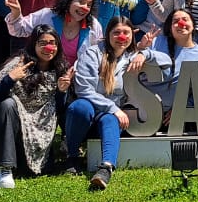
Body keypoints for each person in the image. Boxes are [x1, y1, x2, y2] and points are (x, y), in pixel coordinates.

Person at [66, 16, 166, 188]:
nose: (122, 37)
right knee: (79, 107)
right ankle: (72, 157)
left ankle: (106, 168)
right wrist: (113, 108)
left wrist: (144, 53)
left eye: (126, 32)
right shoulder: (92, 53)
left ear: (132, 36)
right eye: (116, 32)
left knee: (110, 119)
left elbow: (166, 60)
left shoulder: (131, 56)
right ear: (108, 34)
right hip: (89, 112)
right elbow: (84, 90)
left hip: (110, 117)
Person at [0, 25, 73, 189]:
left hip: (38, 132)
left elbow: (58, 113)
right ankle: (3, 168)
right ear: (33, 45)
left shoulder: (60, 71)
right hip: (7, 125)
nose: (49, 47)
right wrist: (10, 79)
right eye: (42, 43)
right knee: (8, 103)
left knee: (32, 170)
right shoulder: (18, 64)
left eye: (53, 43)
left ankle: (18, 162)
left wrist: (62, 92)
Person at [4, 0, 102, 68]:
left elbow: (99, 54)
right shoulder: (47, 15)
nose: (85, 7)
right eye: (81, 1)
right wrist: (16, 13)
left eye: (89, 5)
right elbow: (18, 30)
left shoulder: (93, 25)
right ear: (69, 1)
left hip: (76, 80)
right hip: (44, 75)